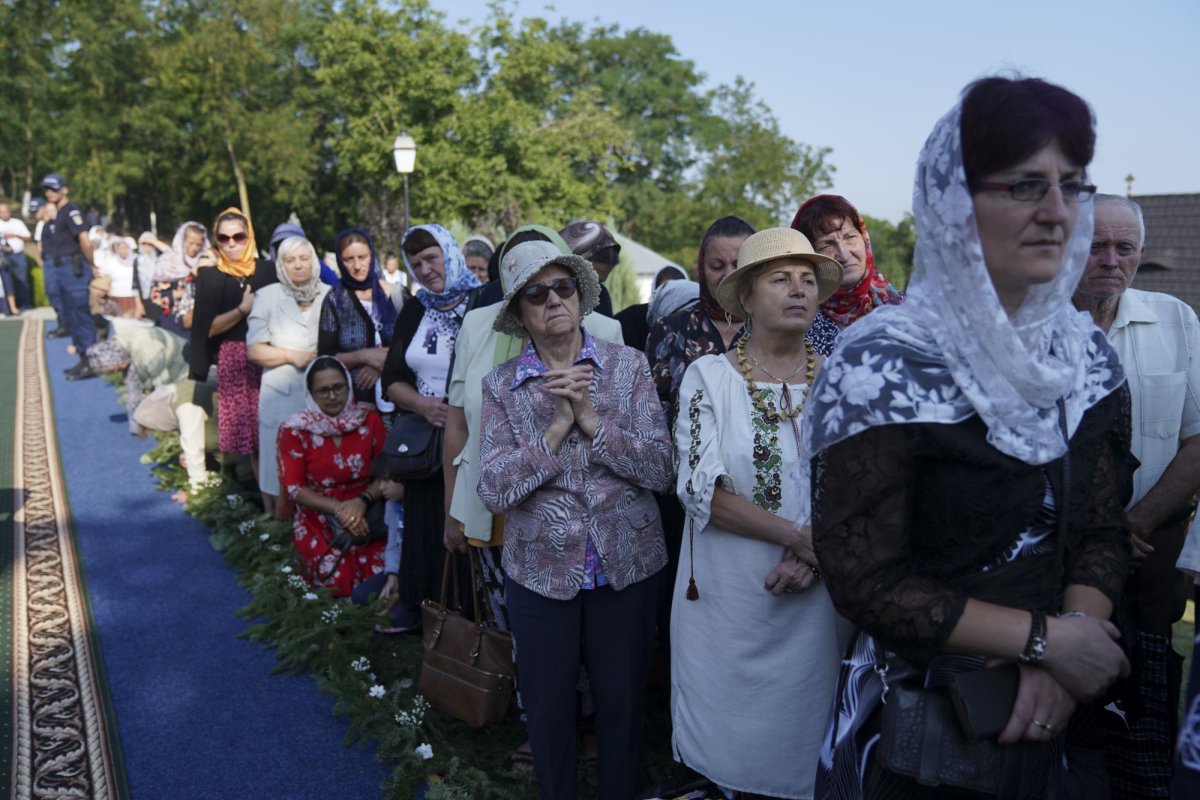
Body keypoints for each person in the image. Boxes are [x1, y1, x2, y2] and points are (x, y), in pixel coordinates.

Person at [810, 76, 1134, 799]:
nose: (1056, 212)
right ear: (953, 201)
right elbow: (864, 577)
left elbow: (1104, 533)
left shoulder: (1087, 359)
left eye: (1072, 184)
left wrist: (1068, 657)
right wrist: (1043, 645)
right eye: (1024, 186)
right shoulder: (882, 363)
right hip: (924, 729)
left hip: (1060, 732)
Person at [477, 240, 673, 800]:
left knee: (622, 703)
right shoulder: (501, 386)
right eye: (535, 294)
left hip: (627, 567)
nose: (552, 301)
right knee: (547, 708)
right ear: (520, 314)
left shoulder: (627, 366)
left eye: (562, 287)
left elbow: (661, 469)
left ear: (581, 296)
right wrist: (556, 430)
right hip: (539, 573)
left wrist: (592, 422)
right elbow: (493, 490)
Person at [671, 227, 849, 798]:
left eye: (807, 281)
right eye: (780, 280)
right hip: (734, 605)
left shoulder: (843, 383)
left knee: (813, 748)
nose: (798, 291)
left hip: (822, 601)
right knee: (735, 747)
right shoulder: (709, 378)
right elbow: (702, 492)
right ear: (746, 296)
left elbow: (868, 491)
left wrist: (817, 557)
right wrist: (802, 538)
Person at [1070, 193, 1200, 795]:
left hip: (1149, 571)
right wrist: (1096, 538)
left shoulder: (1175, 319)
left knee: (1140, 757)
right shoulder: (1032, 330)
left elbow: (1198, 439)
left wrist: (1133, 526)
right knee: (1058, 744)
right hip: (1053, 573)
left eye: (1125, 248)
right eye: (1096, 245)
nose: (1111, 259)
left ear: (1141, 254)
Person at [381, 223, 480, 608]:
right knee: (426, 524)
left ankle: (473, 625)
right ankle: (428, 617)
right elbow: (392, 378)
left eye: (432, 257)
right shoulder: (415, 309)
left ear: (449, 254)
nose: (425, 269)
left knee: (467, 525)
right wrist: (423, 405)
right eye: (416, 262)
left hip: (472, 437)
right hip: (425, 442)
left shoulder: (481, 301)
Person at [277, 356, 389, 596]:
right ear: (311, 394)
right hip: (318, 515)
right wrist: (341, 510)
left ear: (349, 386)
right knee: (334, 582)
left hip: (367, 512)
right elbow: (295, 489)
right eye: (323, 390)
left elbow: (388, 474)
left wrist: (362, 502)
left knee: (379, 576)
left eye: (338, 387)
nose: (332, 396)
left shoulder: (369, 420)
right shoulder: (295, 430)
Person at [189, 207, 277, 487]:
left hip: (271, 357)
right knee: (250, 439)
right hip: (234, 359)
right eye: (223, 239)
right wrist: (242, 310)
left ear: (248, 236)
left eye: (238, 237)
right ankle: (262, 502)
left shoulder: (269, 270)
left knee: (276, 429)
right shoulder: (210, 276)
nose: (231, 244)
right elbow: (206, 328)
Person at [248, 235, 330, 516]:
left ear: (314, 261)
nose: (298, 266)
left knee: (323, 471)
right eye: (290, 260)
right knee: (283, 477)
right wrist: (291, 356)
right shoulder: (268, 296)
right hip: (280, 396)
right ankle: (283, 544)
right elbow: (254, 350)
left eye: (304, 258)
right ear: (280, 264)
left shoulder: (331, 293)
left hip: (324, 398)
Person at [647, 216, 756, 427]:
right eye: (716, 266)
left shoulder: (776, 328)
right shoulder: (670, 331)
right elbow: (651, 417)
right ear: (701, 270)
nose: (728, 275)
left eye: (739, 264)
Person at [791, 194, 904, 354]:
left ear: (864, 238)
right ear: (809, 255)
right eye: (827, 244)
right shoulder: (796, 322)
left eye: (850, 237)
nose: (844, 254)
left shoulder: (906, 309)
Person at [318, 228, 397, 416]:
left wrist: (383, 364)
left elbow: (414, 344)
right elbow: (326, 357)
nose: (357, 265)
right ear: (340, 261)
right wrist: (364, 356)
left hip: (401, 405)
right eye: (349, 259)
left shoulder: (396, 294)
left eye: (362, 257)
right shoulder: (335, 300)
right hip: (354, 407)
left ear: (372, 255)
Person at [40, 173, 100, 378]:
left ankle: (91, 360)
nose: (49, 192)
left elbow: (84, 240)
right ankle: (83, 357)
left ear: (64, 189)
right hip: (60, 270)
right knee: (71, 315)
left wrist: (92, 264)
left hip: (73, 269)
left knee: (80, 313)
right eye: (46, 189)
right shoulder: (58, 213)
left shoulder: (71, 210)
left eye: (54, 189)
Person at [147, 221, 206, 337]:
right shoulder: (168, 262)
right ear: (182, 241)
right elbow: (155, 297)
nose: (194, 248)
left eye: (198, 244)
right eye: (190, 243)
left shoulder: (205, 262)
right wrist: (181, 293)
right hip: (170, 323)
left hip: (197, 326)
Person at [615, 264, 688, 351]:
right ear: (655, 292)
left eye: (675, 294)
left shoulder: (690, 322)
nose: (669, 301)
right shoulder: (630, 318)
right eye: (665, 293)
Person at [560, 220, 619, 317]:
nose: (592, 287)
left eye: (598, 282)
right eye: (589, 278)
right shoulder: (551, 295)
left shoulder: (600, 296)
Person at [0, 202, 33, 312]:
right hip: (2, 256)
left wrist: (15, 236)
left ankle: (24, 305)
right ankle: (8, 308)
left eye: (6, 211)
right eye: (1, 212)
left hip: (17, 255)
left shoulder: (17, 223)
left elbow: (28, 237)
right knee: (6, 283)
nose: (4, 214)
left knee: (21, 280)